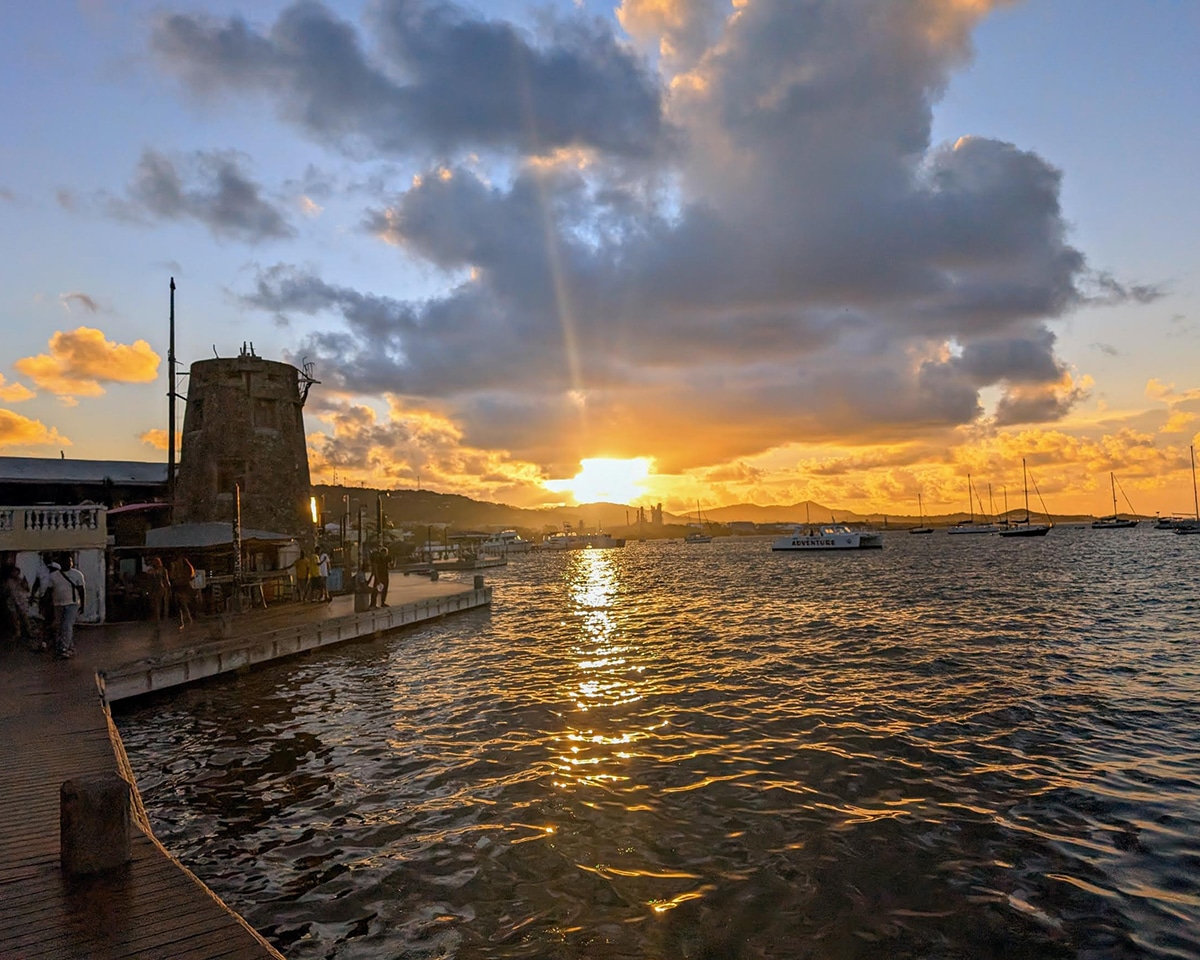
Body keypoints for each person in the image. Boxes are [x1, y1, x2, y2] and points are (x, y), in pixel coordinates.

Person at [49, 556, 85, 660]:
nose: (68, 563)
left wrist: (82, 604)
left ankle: (64, 649)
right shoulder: (53, 576)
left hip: (72, 604)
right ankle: (69, 646)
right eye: (66, 561)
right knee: (60, 626)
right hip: (58, 603)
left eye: (70, 561)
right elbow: (49, 591)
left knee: (67, 625)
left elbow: (81, 591)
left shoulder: (77, 575)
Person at [169, 555, 196, 628]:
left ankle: (186, 620)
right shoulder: (181, 564)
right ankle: (185, 620)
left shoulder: (184, 565)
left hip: (182, 586)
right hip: (181, 586)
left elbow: (172, 576)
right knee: (181, 604)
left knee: (182, 603)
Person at [146, 557, 170, 621]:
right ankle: (160, 617)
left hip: (160, 588)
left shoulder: (159, 570)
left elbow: (166, 580)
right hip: (158, 588)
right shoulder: (158, 570)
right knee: (159, 603)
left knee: (159, 603)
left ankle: (161, 617)